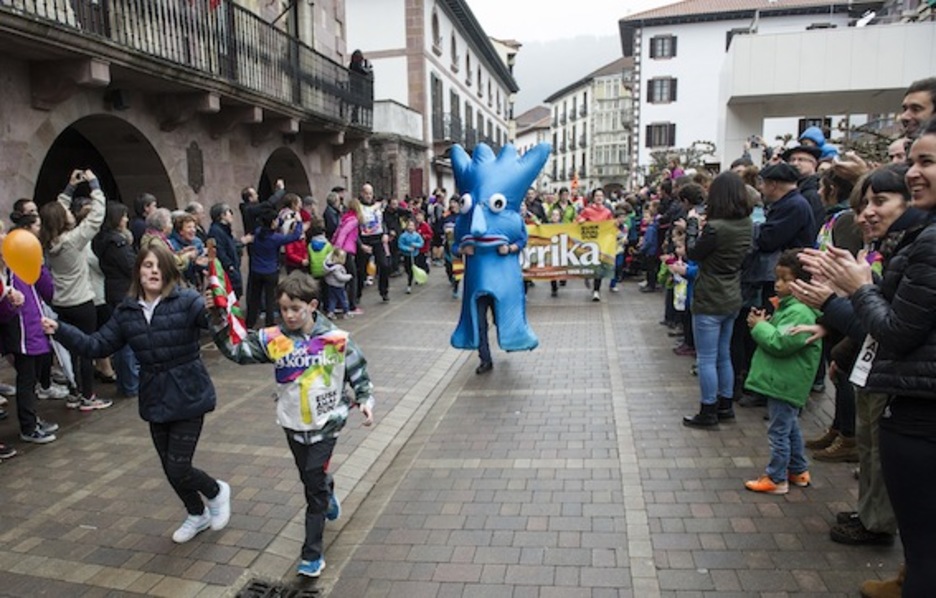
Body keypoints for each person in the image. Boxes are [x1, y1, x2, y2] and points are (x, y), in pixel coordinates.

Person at [799, 119, 936, 598]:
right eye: (864, 204)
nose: (868, 214)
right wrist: (837, 308)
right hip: (901, 391)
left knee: (923, 542)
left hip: (914, 404)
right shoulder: (907, 243)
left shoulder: (924, 243)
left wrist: (848, 292)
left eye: (925, 162)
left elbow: (895, 329)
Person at [43, 243, 231, 544]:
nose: (153, 271)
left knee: (178, 465)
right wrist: (59, 329)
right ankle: (197, 514)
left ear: (168, 270)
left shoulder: (187, 300)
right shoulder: (127, 310)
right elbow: (97, 346)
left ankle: (216, 491)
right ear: (138, 271)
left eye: (159, 265)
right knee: (169, 467)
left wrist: (216, 308)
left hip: (188, 391)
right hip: (155, 395)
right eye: (147, 265)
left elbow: (215, 327)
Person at [210, 272, 374, 578]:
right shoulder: (275, 338)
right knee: (310, 477)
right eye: (284, 309)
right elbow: (238, 351)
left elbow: (358, 371)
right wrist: (219, 319)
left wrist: (365, 399)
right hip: (292, 423)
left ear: (312, 305)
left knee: (312, 488)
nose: (289, 315)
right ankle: (327, 491)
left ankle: (312, 555)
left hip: (327, 424)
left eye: (295, 308)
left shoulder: (336, 339)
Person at [742, 249, 821, 494]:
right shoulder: (790, 307)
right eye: (778, 278)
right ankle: (798, 470)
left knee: (778, 431)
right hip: (786, 380)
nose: (778, 284)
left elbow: (781, 343)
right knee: (789, 426)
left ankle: (776, 478)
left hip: (786, 380)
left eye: (785, 279)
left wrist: (760, 327)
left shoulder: (798, 311)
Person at [682, 171, 752, 428]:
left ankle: (708, 409)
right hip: (732, 292)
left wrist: (691, 226)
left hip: (710, 295)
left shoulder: (715, 228)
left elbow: (693, 253)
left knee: (707, 358)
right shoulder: (746, 224)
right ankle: (725, 405)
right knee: (724, 354)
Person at [39, 169, 111, 411]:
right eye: (67, 212)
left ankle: (74, 392)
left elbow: (54, 213)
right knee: (86, 350)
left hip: (60, 302)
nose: (70, 213)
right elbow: (97, 216)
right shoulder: (73, 240)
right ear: (63, 219)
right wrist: (94, 183)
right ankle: (88, 397)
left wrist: (70, 188)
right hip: (81, 302)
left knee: (69, 351)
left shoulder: (49, 239)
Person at [0, 220, 60, 446]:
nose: (5, 236)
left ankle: (33, 419)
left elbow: (47, 291)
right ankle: (28, 426)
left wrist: (39, 266)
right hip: (22, 332)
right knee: (26, 379)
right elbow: (6, 310)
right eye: (1, 232)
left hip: (34, 327)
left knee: (32, 377)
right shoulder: (8, 270)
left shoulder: (20, 265)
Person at [92, 201, 139, 398]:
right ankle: (129, 384)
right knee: (126, 341)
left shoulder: (103, 240)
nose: (126, 220)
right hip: (122, 292)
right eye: (123, 216)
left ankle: (126, 382)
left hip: (114, 291)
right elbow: (131, 267)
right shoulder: (116, 243)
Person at [247, 203, 303, 329]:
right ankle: (269, 322)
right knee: (270, 299)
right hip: (270, 271)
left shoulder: (258, 233)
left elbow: (273, 225)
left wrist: (282, 218)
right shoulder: (275, 238)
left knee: (254, 298)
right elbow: (294, 236)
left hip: (256, 270)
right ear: (272, 222)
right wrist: (298, 223)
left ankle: (250, 322)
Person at [355, 183, 390, 302]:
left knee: (384, 265)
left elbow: (382, 222)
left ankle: (384, 291)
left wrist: (385, 233)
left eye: (370, 193)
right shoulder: (357, 207)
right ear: (362, 194)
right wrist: (360, 244)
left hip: (377, 239)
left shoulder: (377, 206)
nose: (369, 196)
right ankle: (357, 294)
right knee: (361, 268)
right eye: (366, 193)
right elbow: (353, 228)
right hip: (364, 239)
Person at [577, 189, 613, 301]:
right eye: (597, 196)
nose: (599, 198)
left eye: (601, 196)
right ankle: (587, 276)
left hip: (602, 243)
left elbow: (611, 225)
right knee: (590, 265)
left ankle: (596, 290)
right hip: (589, 243)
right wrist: (581, 220)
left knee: (599, 267)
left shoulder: (607, 212)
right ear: (593, 197)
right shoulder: (587, 210)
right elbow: (577, 221)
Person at [207, 203, 246, 299]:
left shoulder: (224, 230)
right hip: (227, 273)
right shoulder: (216, 231)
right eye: (229, 212)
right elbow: (219, 252)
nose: (231, 215)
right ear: (222, 215)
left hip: (232, 270)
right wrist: (230, 266)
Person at [323, 249, 352, 318]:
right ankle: (346, 312)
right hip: (339, 286)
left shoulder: (328, 266)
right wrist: (348, 277)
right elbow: (340, 277)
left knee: (332, 299)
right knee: (343, 299)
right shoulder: (337, 267)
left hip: (330, 285)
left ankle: (331, 312)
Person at [397, 219, 424, 294]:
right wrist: (408, 248)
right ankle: (411, 277)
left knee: (413, 269)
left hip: (415, 255)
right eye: (409, 225)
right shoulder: (403, 236)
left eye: (412, 225)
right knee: (407, 269)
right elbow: (400, 245)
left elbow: (421, 243)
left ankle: (409, 284)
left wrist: (415, 245)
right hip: (407, 255)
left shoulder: (417, 235)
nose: (410, 227)